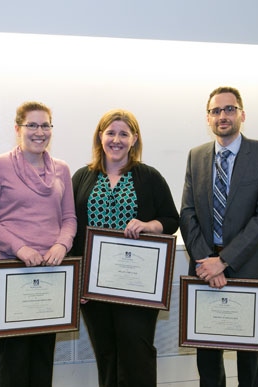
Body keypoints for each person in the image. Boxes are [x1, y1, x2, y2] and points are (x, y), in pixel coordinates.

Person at [71, 109, 179, 387]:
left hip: (137, 286)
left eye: (123, 133)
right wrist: (77, 281)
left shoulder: (149, 177)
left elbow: (171, 220)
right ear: (100, 137)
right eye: (110, 133)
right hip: (94, 289)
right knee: (107, 355)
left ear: (134, 139)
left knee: (137, 354)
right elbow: (70, 229)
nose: (116, 140)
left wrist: (147, 225)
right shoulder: (83, 177)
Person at [180, 86, 258, 387]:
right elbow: (187, 213)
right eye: (216, 110)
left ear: (242, 114)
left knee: (249, 362)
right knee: (207, 359)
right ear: (208, 118)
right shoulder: (196, 156)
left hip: (248, 266)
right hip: (203, 268)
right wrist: (206, 262)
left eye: (229, 109)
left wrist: (223, 262)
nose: (223, 115)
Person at [0, 101, 77, 387]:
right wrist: (20, 248)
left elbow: (70, 218)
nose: (40, 132)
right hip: (10, 273)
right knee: (14, 360)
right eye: (32, 125)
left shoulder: (61, 169)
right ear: (17, 129)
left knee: (42, 358)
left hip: (50, 273)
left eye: (45, 125)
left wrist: (61, 245)